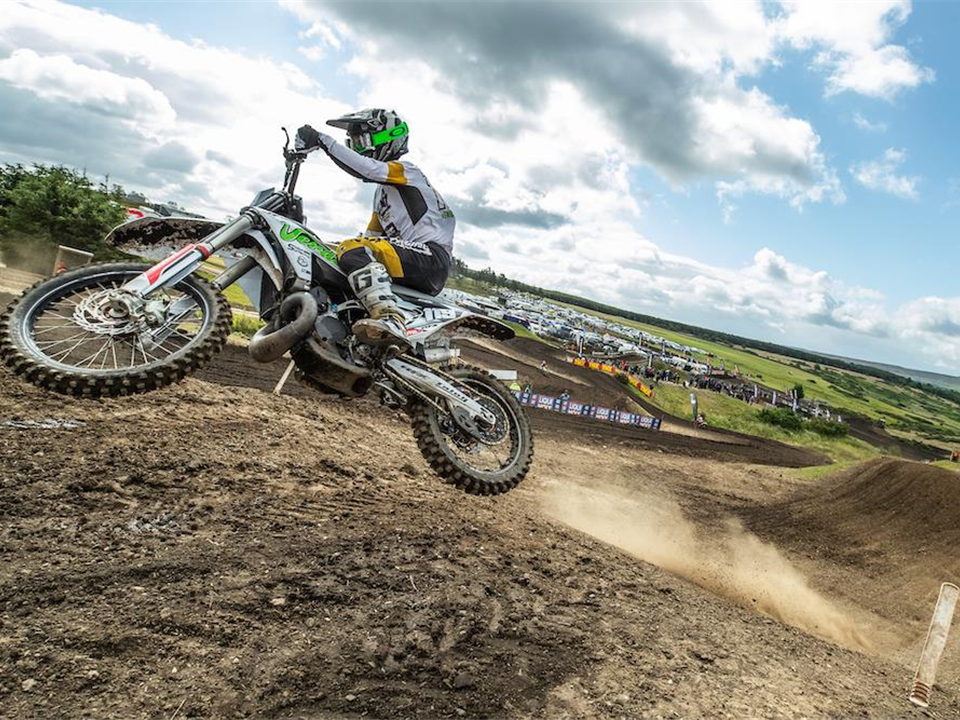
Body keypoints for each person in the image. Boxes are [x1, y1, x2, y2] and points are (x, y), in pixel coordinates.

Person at [295, 109, 455, 346]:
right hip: (412, 261)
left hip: (431, 258)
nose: (358, 149)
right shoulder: (382, 196)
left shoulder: (407, 171)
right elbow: (369, 238)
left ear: (388, 139)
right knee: (347, 254)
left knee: (352, 248)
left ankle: (390, 318)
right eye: (353, 144)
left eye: (362, 141)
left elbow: (367, 169)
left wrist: (322, 140)